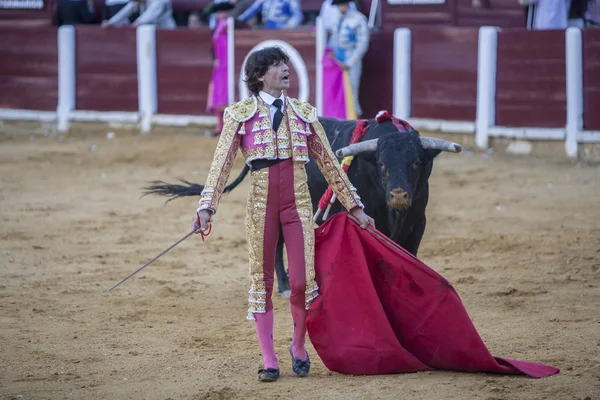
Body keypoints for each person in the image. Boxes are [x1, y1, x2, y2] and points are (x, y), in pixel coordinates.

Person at [193, 46, 374, 382]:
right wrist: (207, 206)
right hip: (261, 203)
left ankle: (299, 345)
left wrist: (355, 206)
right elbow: (221, 165)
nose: (286, 69)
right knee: (262, 282)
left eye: (286, 63)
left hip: (297, 202)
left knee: (302, 280)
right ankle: (269, 358)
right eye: (277, 64)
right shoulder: (239, 114)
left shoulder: (304, 113)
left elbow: (329, 164)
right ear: (261, 75)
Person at [329, 0, 369, 117]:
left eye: (342, 3)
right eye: (338, 4)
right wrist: (331, 56)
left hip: (351, 60)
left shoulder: (358, 19)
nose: (341, 7)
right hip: (337, 62)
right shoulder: (337, 19)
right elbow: (333, 40)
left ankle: (355, 120)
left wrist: (350, 62)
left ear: (348, 4)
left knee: (351, 93)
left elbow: (363, 44)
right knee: (338, 93)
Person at [101, 0, 176, 28]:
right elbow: (126, 11)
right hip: (149, 32)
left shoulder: (159, 1)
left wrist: (139, 22)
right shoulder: (138, 2)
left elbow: (152, 13)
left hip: (166, 30)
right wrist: (111, 22)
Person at [237, 0, 303, 29]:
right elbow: (252, 10)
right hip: (268, 29)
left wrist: (290, 25)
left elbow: (297, 15)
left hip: (284, 30)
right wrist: (238, 21)